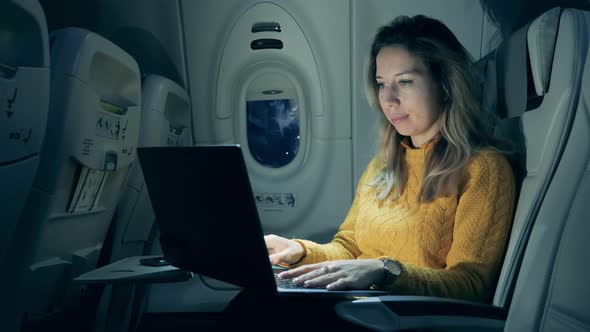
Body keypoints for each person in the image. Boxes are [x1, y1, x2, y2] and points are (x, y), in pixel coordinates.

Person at [265, 14, 516, 304]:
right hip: (360, 305)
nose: (389, 99)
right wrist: (298, 251)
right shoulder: (383, 165)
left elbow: (471, 284)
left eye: (405, 82)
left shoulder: (483, 169)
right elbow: (348, 247)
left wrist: (385, 271)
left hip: (408, 318)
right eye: (382, 83)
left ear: (445, 85)